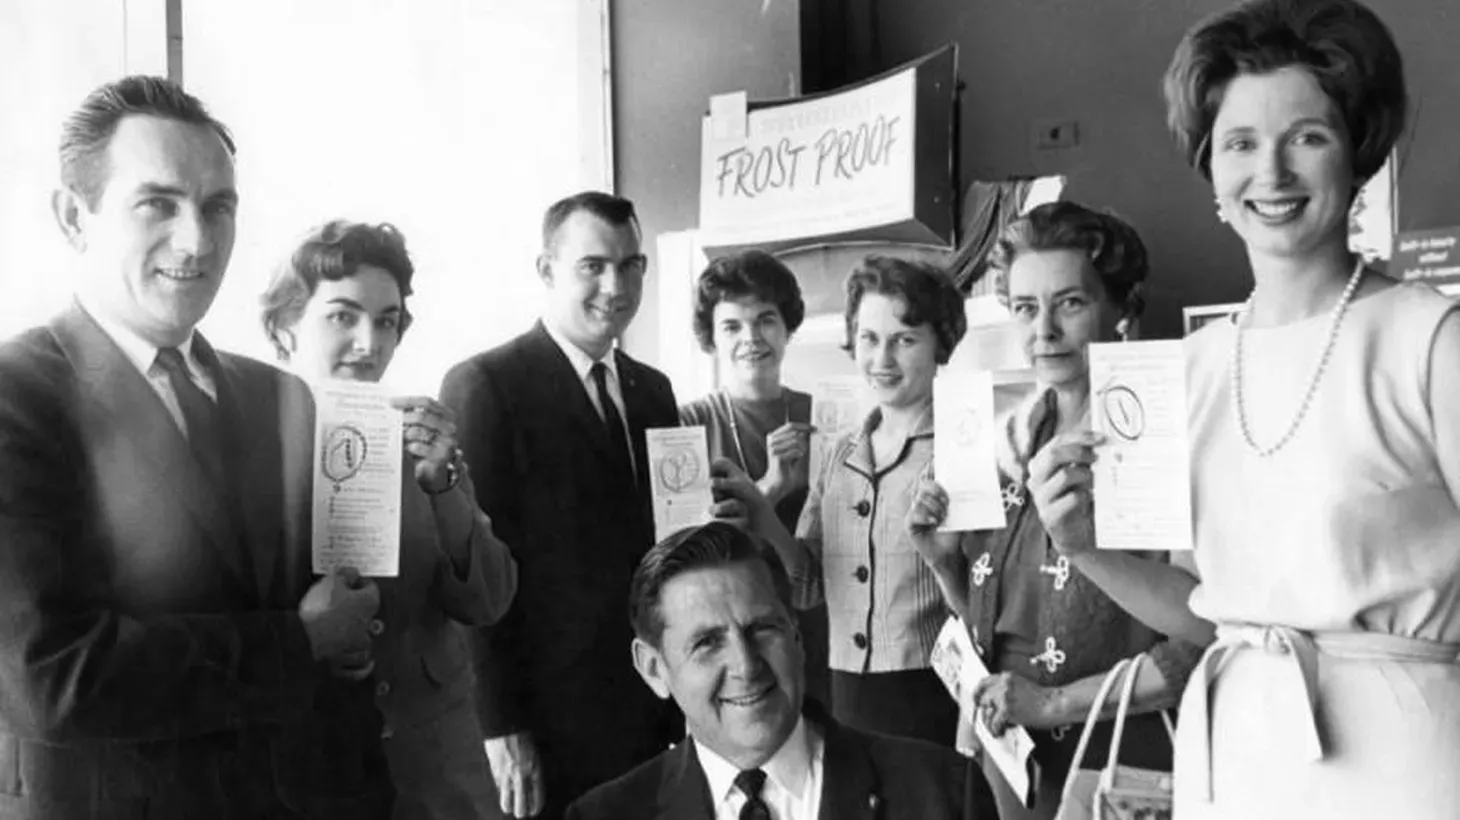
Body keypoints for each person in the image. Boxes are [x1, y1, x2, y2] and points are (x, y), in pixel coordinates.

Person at [1035, 1, 1460, 817]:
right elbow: (1202, 616)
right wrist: (1086, 549)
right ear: (1212, 169)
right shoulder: (1189, 372)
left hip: (1409, 760)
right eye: (1240, 143)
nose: (1272, 173)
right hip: (1235, 756)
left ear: (1357, 155)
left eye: (1307, 136)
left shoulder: (1429, 341)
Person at [0, 75, 389, 818]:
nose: (197, 240)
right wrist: (297, 642)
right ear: (73, 217)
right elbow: (52, 677)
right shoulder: (18, 398)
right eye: (158, 204)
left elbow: (336, 631)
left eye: (218, 208)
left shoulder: (279, 397)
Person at [905, 201, 1202, 819]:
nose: (1043, 330)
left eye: (1069, 303)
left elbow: (1199, 641)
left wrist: (1055, 703)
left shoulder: (1164, 444)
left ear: (1120, 309)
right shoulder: (1006, 444)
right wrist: (944, 567)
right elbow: (993, 630)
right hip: (1011, 754)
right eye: (1024, 307)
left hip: (1117, 757)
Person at [440, 192, 689, 820]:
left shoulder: (654, 390)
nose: (617, 284)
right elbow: (474, 570)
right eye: (594, 266)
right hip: (548, 719)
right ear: (547, 271)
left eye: (632, 265)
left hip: (652, 704)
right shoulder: (487, 384)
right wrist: (500, 724)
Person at [260, 220, 520, 819]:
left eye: (386, 321)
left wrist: (443, 486)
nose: (368, 342)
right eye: (342, 316)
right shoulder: (245, 451)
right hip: (311, 774)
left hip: (437, 771)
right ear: (284, 326)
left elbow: (489, 600)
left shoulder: (423, 442)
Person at [565, 520, 1000, 820]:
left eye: (762, 628)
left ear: (795, 631)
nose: (746, 665)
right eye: (707, 643)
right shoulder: (604, 815)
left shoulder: (942, 795)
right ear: (654, 669)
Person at [730, 256, 969, 746]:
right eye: (868, 338)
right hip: (848, 690)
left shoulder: (963, 449)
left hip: (935, 690)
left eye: (904, 340)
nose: (882, 360)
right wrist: (766, 519)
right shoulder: (839, 454)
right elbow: (808, 589)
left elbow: (987, 605)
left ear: (940, 343)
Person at [678, 249, 829, 706]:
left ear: (787, 329)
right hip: (734, 634)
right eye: (731, 326)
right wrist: (771, 489)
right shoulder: (686, 426)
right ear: (711, 339)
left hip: (822, 627)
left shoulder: (824, 415)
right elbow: (681, 554)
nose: (751, 338)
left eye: (765, 319)